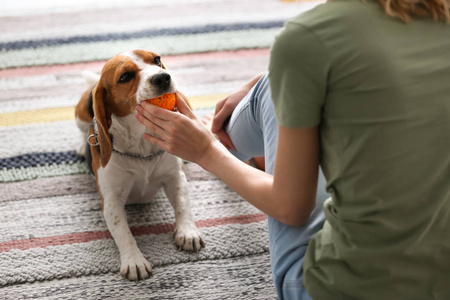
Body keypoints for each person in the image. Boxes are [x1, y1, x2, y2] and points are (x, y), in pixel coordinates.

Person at [136, 0, 450, 298]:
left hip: (337, 288)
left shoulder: (310, 39)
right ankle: (245, 151)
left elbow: (291, 208)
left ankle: (224, 147)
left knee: (271, 93)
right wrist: (279, 75)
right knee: (277, 84)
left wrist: (206, 151)